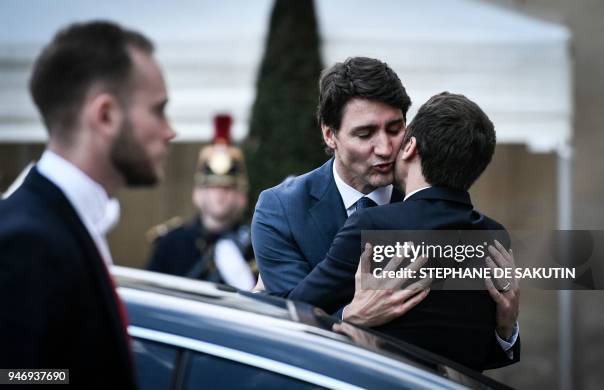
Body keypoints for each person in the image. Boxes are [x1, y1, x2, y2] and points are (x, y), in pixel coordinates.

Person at [251, 57, 519, 363]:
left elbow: (460, 331)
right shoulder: (281, 209)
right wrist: (349, 317)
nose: (385, 148)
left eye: (395, 129)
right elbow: (280, 324)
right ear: (330, 135)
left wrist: (506, 329)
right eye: (365, 134)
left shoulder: (438, 203)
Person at [0, 21, 175, 387]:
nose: (169, 131)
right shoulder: (28, 240)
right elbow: (16, 377)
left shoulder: (63, 221)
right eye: (158, 110)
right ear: (105, 115)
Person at [147, 115, 256, 289]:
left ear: (241, 196)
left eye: (227, 187)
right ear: (197, 193)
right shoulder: (171, 242)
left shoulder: (256, 246)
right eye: (212, 186)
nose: (220, 195)